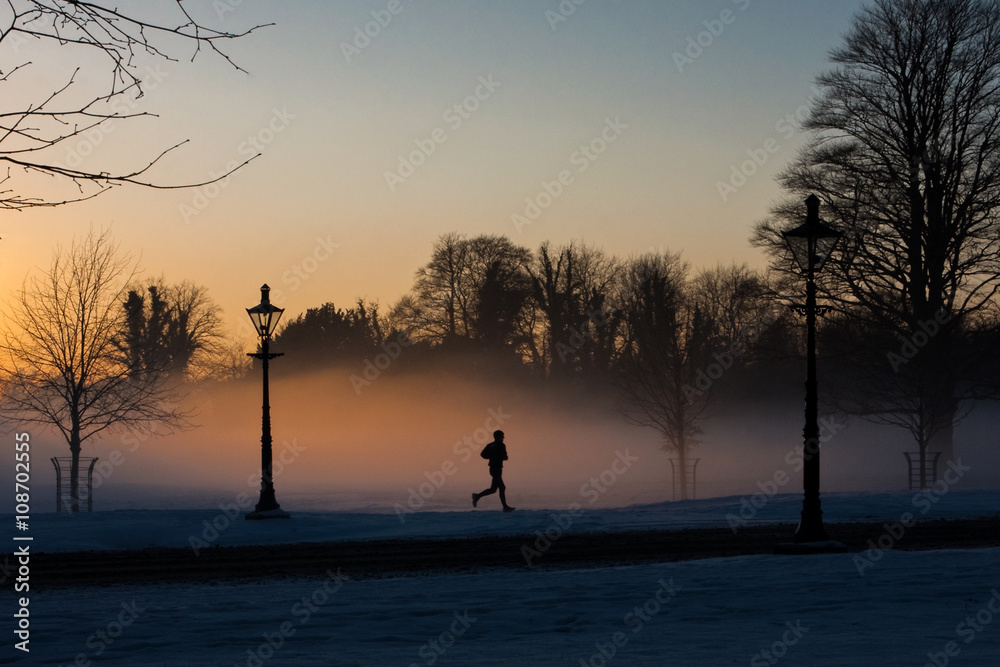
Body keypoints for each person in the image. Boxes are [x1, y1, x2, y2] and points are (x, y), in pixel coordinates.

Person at [472, 430, 514, 512]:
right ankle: (505, 507)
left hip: (494, 469)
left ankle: (477, 496)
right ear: (498, 437)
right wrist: (497, 457)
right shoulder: (501, 445)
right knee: (502, 487)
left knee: (493, 489)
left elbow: (483, 454)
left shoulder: (491, 445)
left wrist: (492, 456)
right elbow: (505, 457)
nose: (503, 438)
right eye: (502, 436)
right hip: (496, 469)